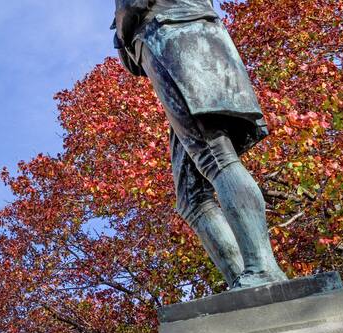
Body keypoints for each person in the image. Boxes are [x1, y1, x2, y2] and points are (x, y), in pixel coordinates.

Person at [113, 0, 287, 288]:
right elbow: (133, 64)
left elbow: (132, 6)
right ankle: (243, 283)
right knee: (191, 197)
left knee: (216, 156)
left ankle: (263, 271)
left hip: (175, 41)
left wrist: (121, 29)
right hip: (182, 44)